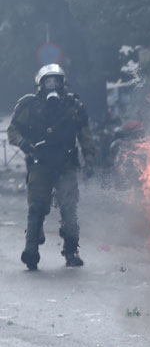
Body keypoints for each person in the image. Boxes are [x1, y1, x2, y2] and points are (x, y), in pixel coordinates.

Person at [7, 64, 97, 269]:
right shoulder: (29, 105)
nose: (53, 84)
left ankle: (71, 251)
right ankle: (31, 252)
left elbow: (85, 135)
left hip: (66, 164)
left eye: (56, 80)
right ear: (41, 84)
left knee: (69, 209)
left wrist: (89, 159)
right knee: (37, 208)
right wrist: (23, 143)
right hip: (40, 163)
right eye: (48, 81)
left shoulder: (74, 106)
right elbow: (13, 130)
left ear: (63, 82)